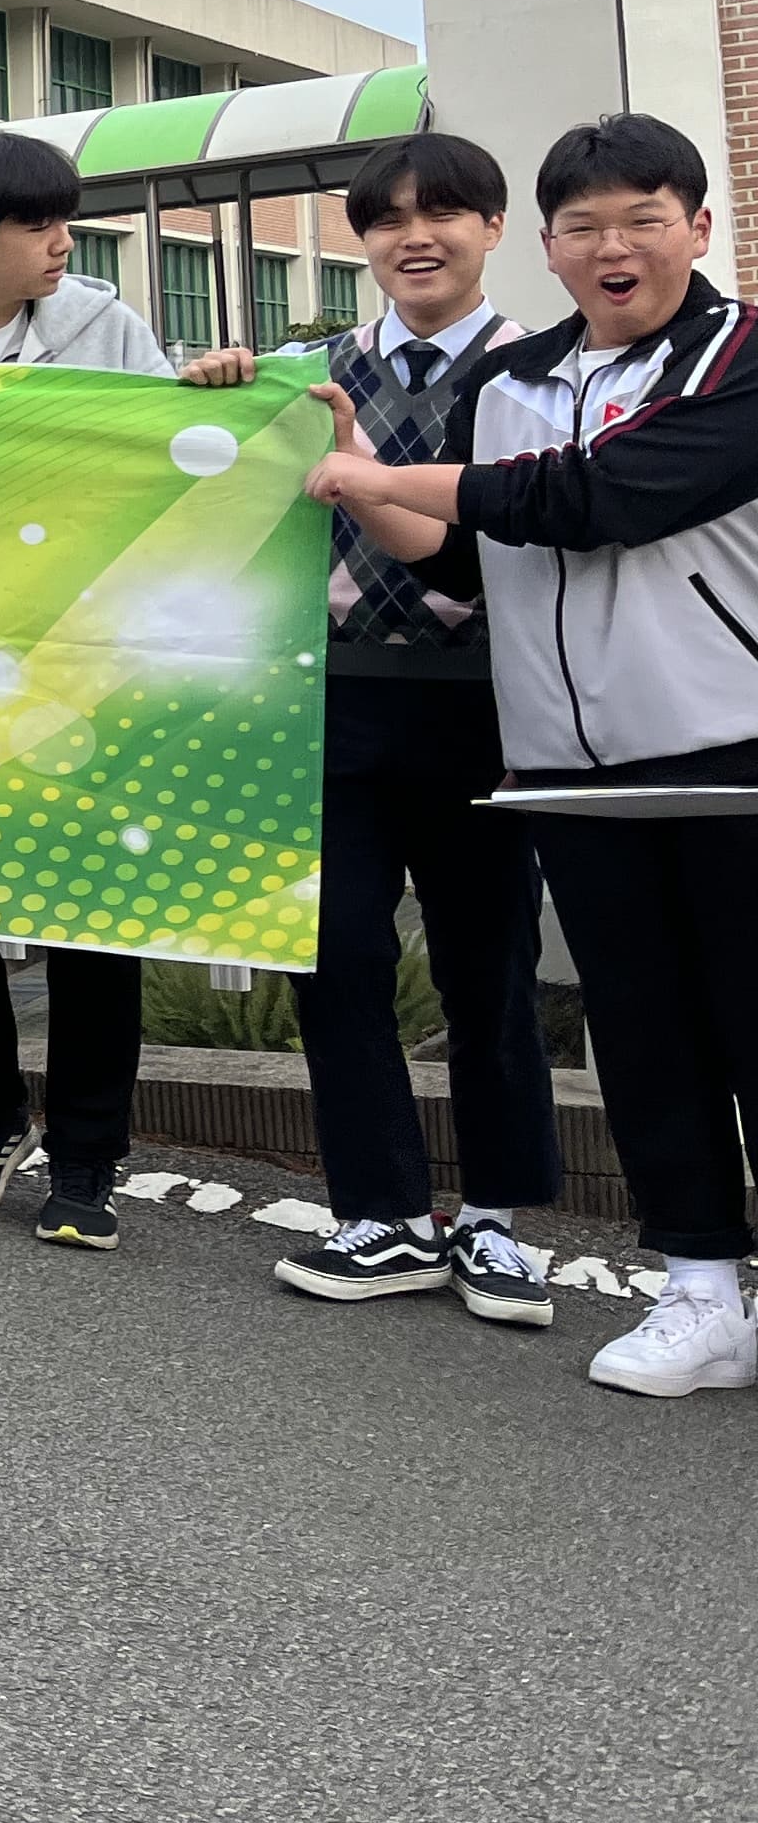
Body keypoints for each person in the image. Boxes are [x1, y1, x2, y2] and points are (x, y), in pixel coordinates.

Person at [313, 112, 758, 1399]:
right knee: (645, 1038)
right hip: (568, 766)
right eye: (586, 228)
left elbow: (595, 498)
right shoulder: (515, 383)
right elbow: (467, 559)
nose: (614, 249)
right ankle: (701, 1294)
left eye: (643, 221)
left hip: (730, 750)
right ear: (550, 248)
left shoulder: (738, 357)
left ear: (697, 228)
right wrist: (365, 480)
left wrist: (395, 481)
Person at [0, 127, 257, 1249]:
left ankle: (87, 1152)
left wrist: (210, 396)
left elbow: (171, 466)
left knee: (91, 914)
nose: (64, 243)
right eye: (39, 226)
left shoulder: (106, 331)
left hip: (86, 665)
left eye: (65, 221)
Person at [267, 135, 559, 1328]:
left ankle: (494, 1215)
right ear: (362, 241)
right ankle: (378, 1211)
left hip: (489, 706)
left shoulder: (541, 374)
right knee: (334, 957)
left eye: (443, 212)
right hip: (327, 699)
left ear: (493, 229)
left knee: (489, 966)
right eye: (387, 219)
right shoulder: (305, 378)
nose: (415, 236)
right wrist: (216, 385)